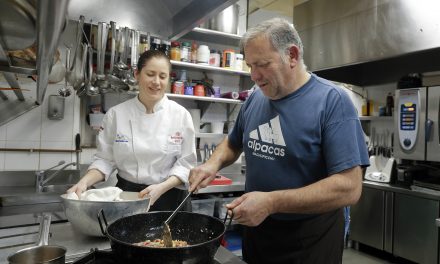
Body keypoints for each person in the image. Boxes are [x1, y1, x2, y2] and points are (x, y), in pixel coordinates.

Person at [189, 18, 369, 264]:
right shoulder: (255, 99)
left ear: (292, 55)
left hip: (309, 239)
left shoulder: (332, 101)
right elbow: (233, 143)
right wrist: (211, 164)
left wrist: (272, 202)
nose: (254, 76)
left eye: (262, 64)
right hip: (258, 230)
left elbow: (349, 187)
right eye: (250, 65)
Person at [68, 50, 196, 211]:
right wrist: (84, 182)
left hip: (170, 198)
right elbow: (105, 160)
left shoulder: (181, 115)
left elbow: (186, 164)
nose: (156, 81)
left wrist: (162, 187)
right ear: (137, 74)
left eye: (163, 76)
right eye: (150, 74)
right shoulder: (116, 115)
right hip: (127, 197)